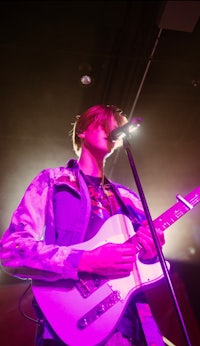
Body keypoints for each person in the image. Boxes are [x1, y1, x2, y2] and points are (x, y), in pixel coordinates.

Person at [0, 104, 165, 346]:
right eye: (103, 124)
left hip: (130, 327)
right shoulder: (53, 181)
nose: (112, 130)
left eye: (116, 127)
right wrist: (85, 260)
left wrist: (152, 253)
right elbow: (12, 251)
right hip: (70, 322)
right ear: (82, 132)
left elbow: (149, 264)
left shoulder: (128, 198)